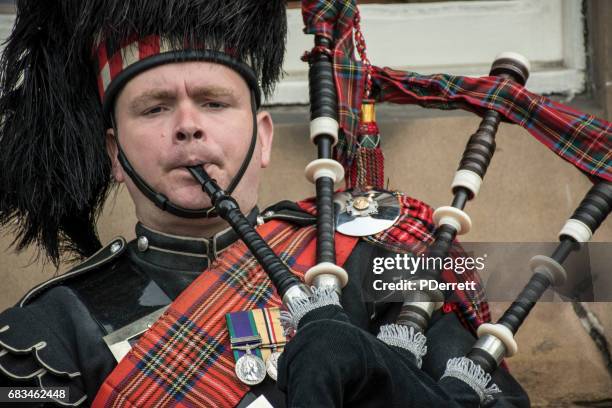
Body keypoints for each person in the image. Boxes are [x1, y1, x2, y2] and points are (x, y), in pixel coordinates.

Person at [0, 0, 529, 406]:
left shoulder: (376, 268)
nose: (188, 125)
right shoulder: (53, 328)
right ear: (114, 153)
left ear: (264, 137)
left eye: (213, 102)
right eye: (155, 108)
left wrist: (392, 381)